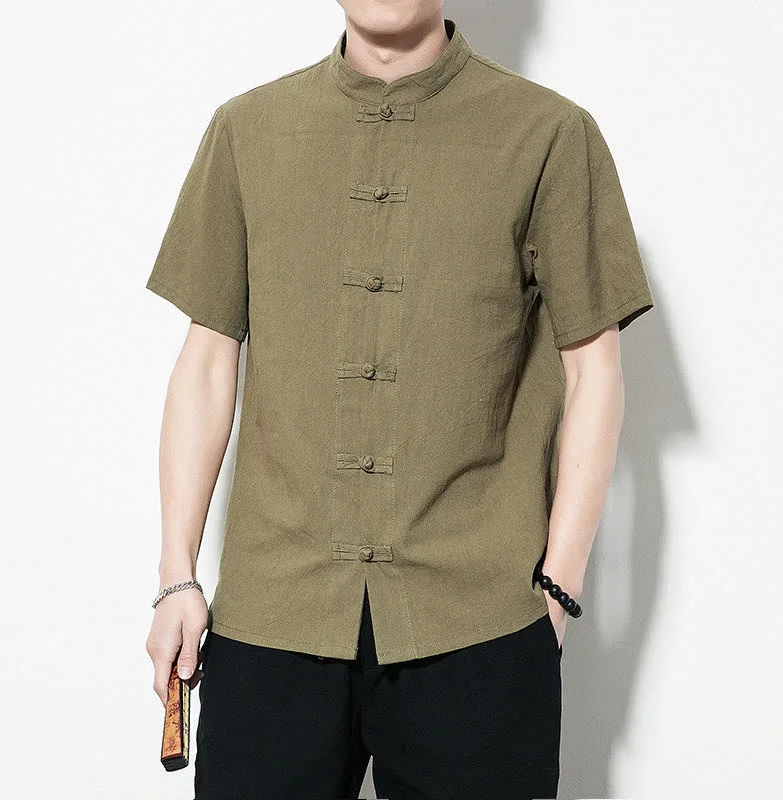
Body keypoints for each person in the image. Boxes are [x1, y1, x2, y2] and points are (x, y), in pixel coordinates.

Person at [144, 2, 655, 798]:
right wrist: (177, 577)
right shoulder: (247, 131)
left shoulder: (551, 135)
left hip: (478, 622)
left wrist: (556, 591)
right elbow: (207, 363)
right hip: (273, 615)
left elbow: (596, 373)